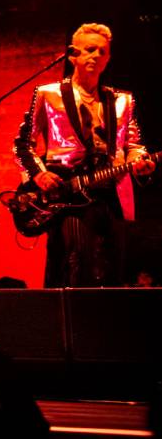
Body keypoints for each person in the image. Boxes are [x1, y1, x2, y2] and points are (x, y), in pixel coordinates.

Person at [13, 23, 155, 287]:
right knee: (77, 263)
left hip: (112, 193)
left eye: (102, 51)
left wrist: (141, 162)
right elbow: (23, 145)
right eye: (89, 50)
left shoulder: (122, 100)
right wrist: (40, 175)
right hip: (69, 193)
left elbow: (133, 145)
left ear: (109, 58)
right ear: (72, 54)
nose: (96, 56)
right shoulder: (48, 94)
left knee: (116, 267)